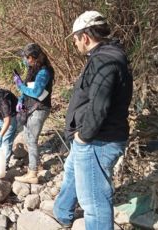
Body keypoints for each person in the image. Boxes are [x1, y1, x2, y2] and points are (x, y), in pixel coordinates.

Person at [53, 11, 133, 230]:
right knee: (71, 172)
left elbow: (100, 105)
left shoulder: (104, 60)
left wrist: (83, 136)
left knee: (94, 201)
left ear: (85, 37)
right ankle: (62, 213)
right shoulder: (105, 56)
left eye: (76, 39)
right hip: (94, 138)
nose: (76, 44)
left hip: (97, 140)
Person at [13, 43, 54, 184]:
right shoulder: (32, 69)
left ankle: (32, 173)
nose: (24, 60)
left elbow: (36, 92)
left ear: (32, 57)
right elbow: (26, 89)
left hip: (40, 109)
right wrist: (20, 100)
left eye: (25, 57)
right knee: (29, 137)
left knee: (31, 140)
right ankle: (36, 163)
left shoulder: (44, 72)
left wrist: (20, 86)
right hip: (30, 108)